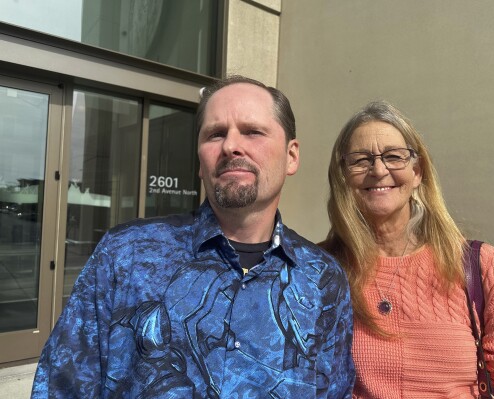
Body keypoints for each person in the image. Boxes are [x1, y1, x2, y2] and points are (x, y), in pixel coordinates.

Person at [32, 76, 355, 398]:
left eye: (252, 131)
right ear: (201, 162)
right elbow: (63, 386)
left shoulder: (323, 278)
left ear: (291, 156)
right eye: (215, 134)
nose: (231, 146)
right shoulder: (126, 254)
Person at [320, 100, 494, 398]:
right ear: (344, 175)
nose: (378, 169)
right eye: (361, 160)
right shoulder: (318, 269)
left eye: (393, 156)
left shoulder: (480, 265)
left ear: (418, 172)